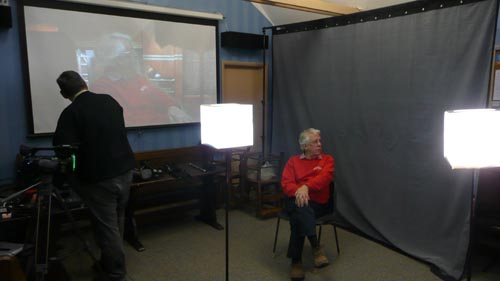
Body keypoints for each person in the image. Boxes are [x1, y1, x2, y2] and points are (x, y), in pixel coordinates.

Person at [53, 70, 135, 281]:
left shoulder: (71, 112)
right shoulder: (109, 100)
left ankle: (115, 273)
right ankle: (109, 262)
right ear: (85, 83)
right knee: (118, 220)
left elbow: (62, 149)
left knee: (107, 228)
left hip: (99, 180)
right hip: (125, 171)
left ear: (64, 94)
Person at [90, 32, 191, 127]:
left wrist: (172, 107)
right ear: (116, 59)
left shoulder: (137, 79)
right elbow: (129, 122)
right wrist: (167, 118)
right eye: (129, 53)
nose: (135, 56)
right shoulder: (100, 88)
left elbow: (162, 97)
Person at [281, 128, 334, 281]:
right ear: (304, 146)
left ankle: (296, 262)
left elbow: (324, 179)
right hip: (295, 199)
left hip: (319, 203)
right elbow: (286, 183)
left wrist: (306, 187)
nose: (320, 144)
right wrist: (299, 191)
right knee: (301, 206)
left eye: (319, 141)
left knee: (299, 214)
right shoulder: (293, 161)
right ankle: (316, 246)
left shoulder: (327, 160)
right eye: (315, 142)